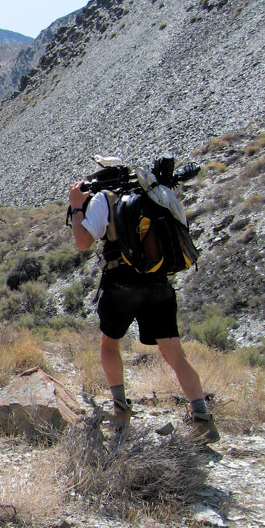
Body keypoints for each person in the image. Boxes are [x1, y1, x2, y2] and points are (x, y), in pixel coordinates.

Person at [68, 178, 219, 443]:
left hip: (121, 284)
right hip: (159, 283)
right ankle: (202, 418)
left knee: (109, 346)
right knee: (175, 354)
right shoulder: (155, 197)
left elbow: (83, 242)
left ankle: (121, 410)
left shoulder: (106, 199)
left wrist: (77, 207)